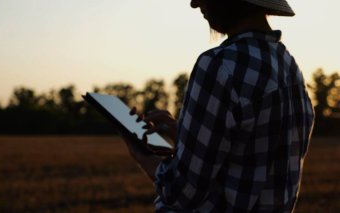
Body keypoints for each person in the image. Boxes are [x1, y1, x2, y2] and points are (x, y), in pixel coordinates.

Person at [124, 0, 315, 212]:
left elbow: (181, 191)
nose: (194, 4)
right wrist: (187, 137)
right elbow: (251, 157)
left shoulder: (219, 65)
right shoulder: (290, 67)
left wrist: (141, 154)